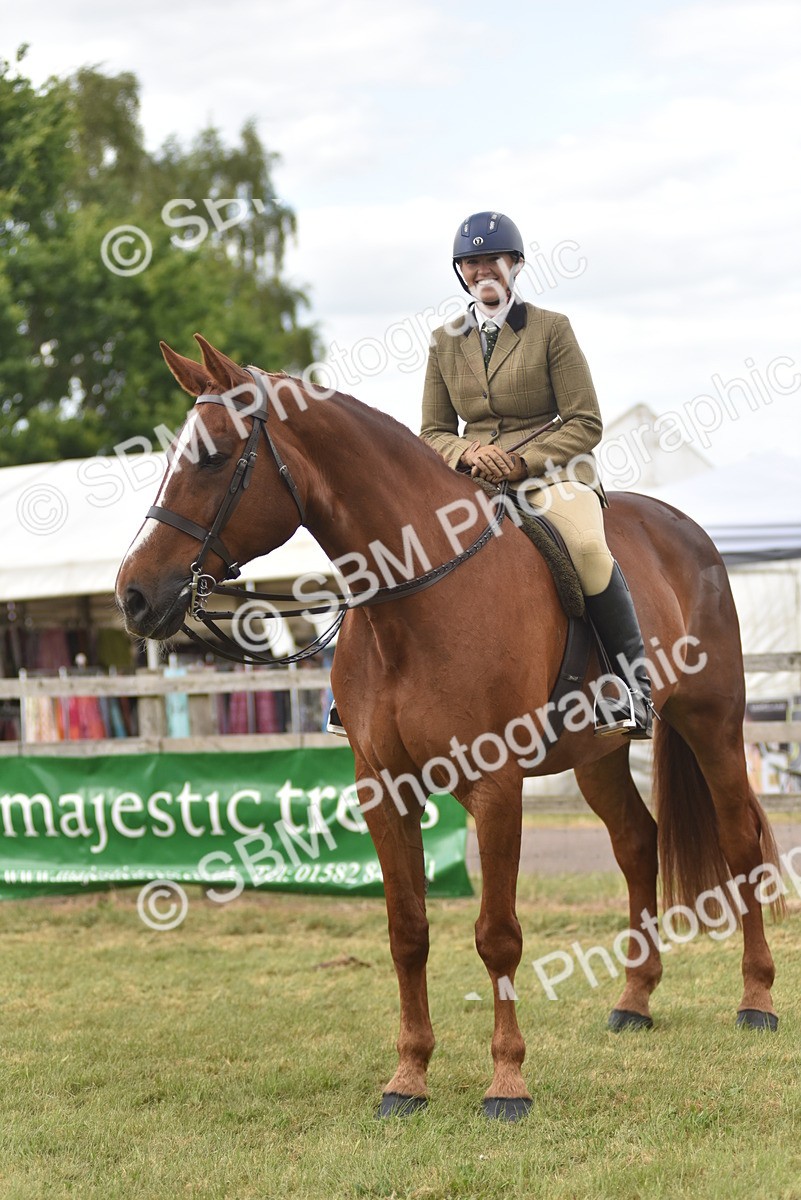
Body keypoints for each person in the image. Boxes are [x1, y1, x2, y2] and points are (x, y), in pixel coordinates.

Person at [419, 210, 653, 738]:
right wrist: (468, 454)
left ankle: (635, 688)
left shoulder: (551, 329)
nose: (483, 272)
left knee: (589, 552)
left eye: (492, 261)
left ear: (516, 266)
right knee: (400, 540)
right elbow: (432, 432)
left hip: (554, 477)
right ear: (461, 272)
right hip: (474, 481)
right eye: (471, 262)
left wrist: (525, 461)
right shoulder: (443, 340)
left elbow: (585, 420)